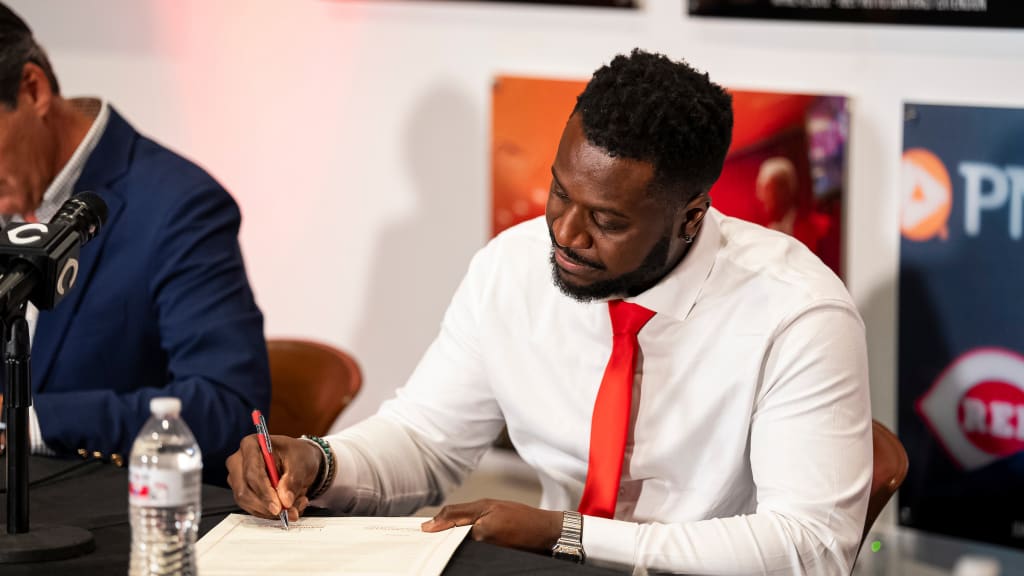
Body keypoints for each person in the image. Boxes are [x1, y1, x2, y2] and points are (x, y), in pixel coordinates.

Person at [228, 49, 871, 574]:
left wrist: (569, 534)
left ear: (690, 217)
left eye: (607, 221)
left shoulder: (798, 313)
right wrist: (320, 462)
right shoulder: (511, 268)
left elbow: (809, 547)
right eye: (560, 193)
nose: (565, 233)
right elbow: (426, 443)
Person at [0, 3, 269, 485]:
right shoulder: (14, 184)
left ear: (33, 90)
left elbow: (228, 407)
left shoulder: (180, 206)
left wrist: (25, 423)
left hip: (112, 511)